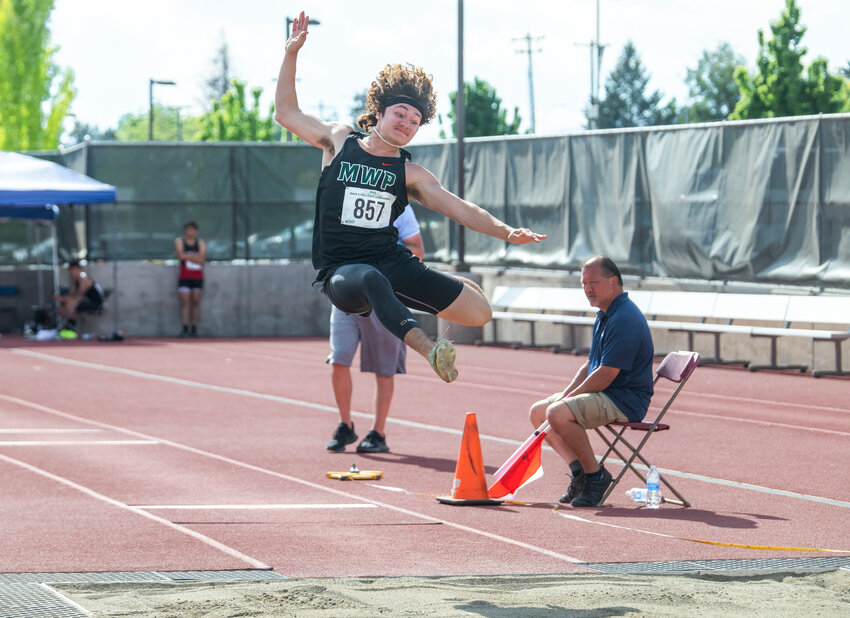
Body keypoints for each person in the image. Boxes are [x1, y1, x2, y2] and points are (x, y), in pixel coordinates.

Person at [274, 11, 545, 385]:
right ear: (380, 113)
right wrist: (291, 54)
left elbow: (462, 209)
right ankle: (430, 349)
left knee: (478, 308)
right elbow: (286, 112)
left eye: (414, 121)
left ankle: (402, 294)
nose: (405, 123)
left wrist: (508, 232)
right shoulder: (340, 141)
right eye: (400, 113)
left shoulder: (411, 174)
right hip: (342, 272)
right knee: (370, 278)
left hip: (391, 262)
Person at [528, 256, 654, 507]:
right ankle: (580, 474)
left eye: (594, 282)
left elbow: (606, 374)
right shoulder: (606, 314)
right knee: (539, 412)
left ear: (613, 282)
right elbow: (590, 366)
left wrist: (570, 400)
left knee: (558, 413)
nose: (588, 289)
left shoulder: (624, 317)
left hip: (625, 400)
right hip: (609, 394)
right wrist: (567, 393)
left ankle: (596, 476)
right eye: (584, 283)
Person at [326, 204, 424, 453]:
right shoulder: (345, 200)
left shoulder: (400, 208)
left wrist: (382, 257)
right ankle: (345, 426)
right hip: (347, 295)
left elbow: (418, 250)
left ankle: (378, 433)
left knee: (384, 368)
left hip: (383, 298)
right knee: (339, 359)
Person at [175, 221, 206, 337]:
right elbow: (181, 256)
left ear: (196, 231)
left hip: (197, 276)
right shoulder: (180, 242)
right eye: (188, 229)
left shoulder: (200, 243)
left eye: (192, 229)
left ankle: (194, 327)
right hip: (184, 276)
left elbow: (203, 258)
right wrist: (195, 257)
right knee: (185, 302)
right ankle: (184, 327)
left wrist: (188, 257)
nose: (190, 232)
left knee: (196, 301)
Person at [54, 259, 105, 330]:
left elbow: (79, 296)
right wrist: (62, 299)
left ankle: (70, 329)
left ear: (78, 269)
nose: (71, 273)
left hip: (96, 304)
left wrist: (63, 299)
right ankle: (64, 327)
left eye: (73, 270)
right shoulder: (76, 280)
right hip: (84, 302)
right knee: (66, 305)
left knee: (71, 304)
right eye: (70, 270)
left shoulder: (83, 279)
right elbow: (71, 294)